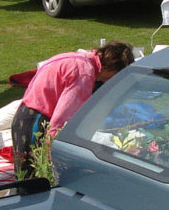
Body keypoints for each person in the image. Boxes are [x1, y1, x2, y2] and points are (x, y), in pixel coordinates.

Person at [12, 41, 136, 176]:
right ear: (112, 68)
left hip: (24, 115)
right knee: (35, 177)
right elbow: (63, 119)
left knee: (23, 174)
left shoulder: (75, 58)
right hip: (36, 123)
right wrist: (51, 151)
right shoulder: (84, 73)